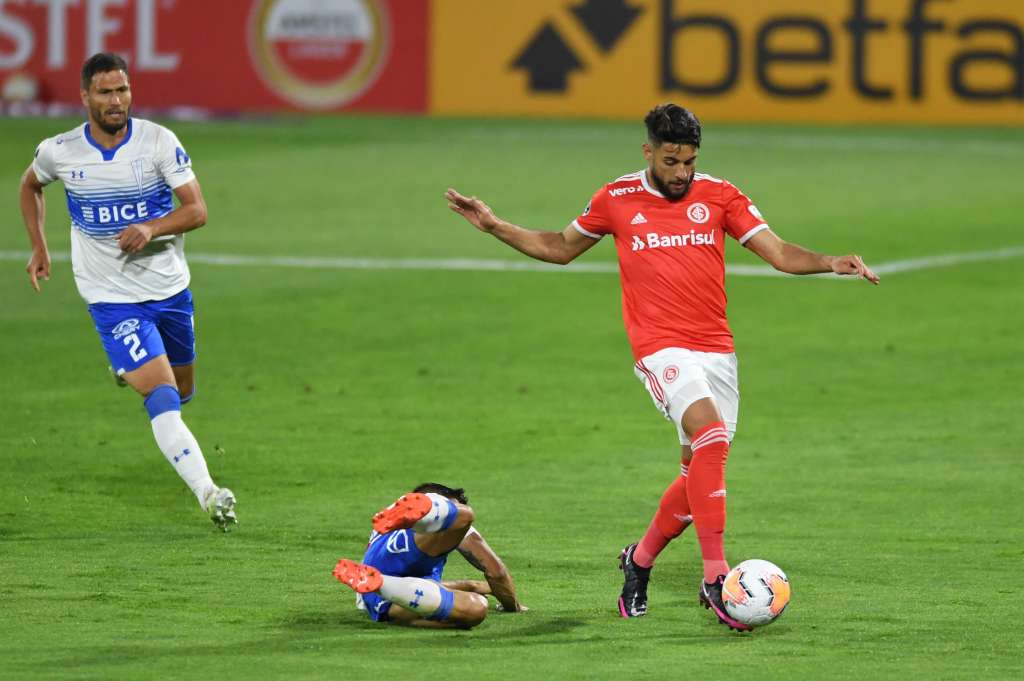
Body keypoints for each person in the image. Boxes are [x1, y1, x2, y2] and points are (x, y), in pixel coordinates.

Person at [444, 103, 878, 631]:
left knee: (698, 474)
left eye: (689, 162)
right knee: (711, 437)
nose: (681, 173)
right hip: (659, 347)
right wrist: (493, 225)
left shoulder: (720, 195)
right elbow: (560, 248)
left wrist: (829, 261)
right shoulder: (617, 198)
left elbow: (780, 252)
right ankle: (717, 577)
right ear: (648, 151)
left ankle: (640, 560)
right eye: (671, 161)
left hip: (716, 349)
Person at [18, 53, 237, 530]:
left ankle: (126, 366)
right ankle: (208, 492)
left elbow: (196, 210)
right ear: (85, 97)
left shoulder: (159, 142)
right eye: (105, 92)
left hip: (169, 290)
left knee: (183, 389)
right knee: (161, 393)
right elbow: (30, 185)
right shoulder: (61, 150)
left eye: (122, 90)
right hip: (109, 296)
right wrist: (39, 246)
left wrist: (152, 227)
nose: (116, 101)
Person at [333, 483, 525, 628]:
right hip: (390, 596)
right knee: (465, 516)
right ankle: (384, 584)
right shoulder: (453, 527)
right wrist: (512, 606)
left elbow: (415, 582)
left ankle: (381, 583)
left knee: (477, 608)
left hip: (383, 595)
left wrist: (471, 585)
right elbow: (496, 572)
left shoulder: (388, 527)